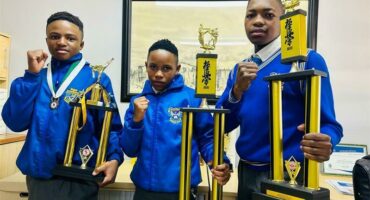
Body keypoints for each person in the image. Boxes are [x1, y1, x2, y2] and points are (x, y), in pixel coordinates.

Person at [216, 0, 343, 199]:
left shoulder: (306, 61)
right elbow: (221, 124)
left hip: (289, 176)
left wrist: (327, 142)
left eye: (268, 15)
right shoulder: (239, 70)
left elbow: (331, 126)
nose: (258, 21)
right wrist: (237, 90)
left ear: (282, 20)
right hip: (246, 172)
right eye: (251, 15)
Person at [1, 11, 123, 200]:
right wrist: (31, 76)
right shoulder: (36, 77)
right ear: (47, 39)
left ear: (81, 44)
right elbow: (15, 122)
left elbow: (112, 128)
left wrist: (115, 158)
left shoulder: (96, 80)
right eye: (55, 36)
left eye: (70, 38)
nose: (61, 42)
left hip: (79, 177)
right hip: (40, 176)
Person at [120, 39, 231, 200]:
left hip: (182, 189)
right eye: (153, 67)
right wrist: (136, 121)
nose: (158, 74)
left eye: (166, 68)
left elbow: (207, 139)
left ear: (177, 69)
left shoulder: (192, 99)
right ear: (146, 66)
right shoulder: (138, 102)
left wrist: (220, 162)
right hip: (144, 190)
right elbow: (129, 150)